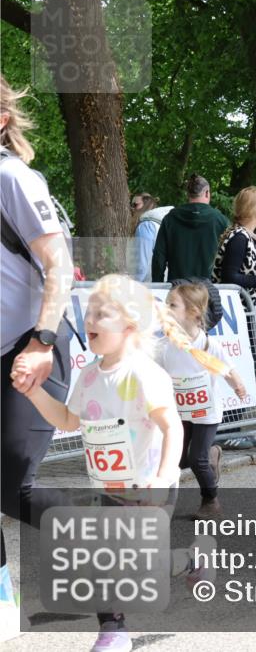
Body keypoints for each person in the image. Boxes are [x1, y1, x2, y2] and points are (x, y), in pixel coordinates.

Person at [16, 274, 211, 652]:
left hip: (149, 488)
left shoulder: (144, 374)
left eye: (101, 314)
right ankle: (113, 630)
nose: (89, 319)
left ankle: (191, 561)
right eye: (88, 311)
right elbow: (67, 420)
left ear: (129, 326)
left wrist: (164, 477)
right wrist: (34, 392)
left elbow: (172, 427)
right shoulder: (89, 375)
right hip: (108, 489)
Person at [1, 75, 74, 614]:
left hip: (31, 346)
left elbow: (59, 264)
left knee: (11, 485)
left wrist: (43, 341)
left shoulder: (11, 178)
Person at [157, 281, 247, 519]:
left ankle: (210, 500)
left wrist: (237, 385)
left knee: (197, 458)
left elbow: (227, 369)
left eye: (172, 305)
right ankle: (211, 455)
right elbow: (153, 374)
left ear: (193, 313)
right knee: (178, 459)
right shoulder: (164, 347)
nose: (166, 309)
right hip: (180, 412)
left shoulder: (208, 345)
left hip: (207, 412)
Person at [151, 175, 229, 282]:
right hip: (210, 289)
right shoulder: (221, 221)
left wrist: (158, 285)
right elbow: (229, 259)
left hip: (178, 288)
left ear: (188, 194)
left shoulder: (170, 218)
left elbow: (159, 258)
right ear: (207, 193)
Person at [129, 193, 173, 282]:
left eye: (135, 205)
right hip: (166, 279)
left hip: (150, 283)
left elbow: (142, 263)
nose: (132, 208)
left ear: (147, 204)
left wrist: (134, 283)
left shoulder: (145, 225)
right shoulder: (160, 222)